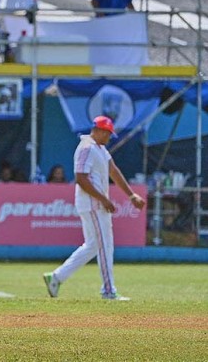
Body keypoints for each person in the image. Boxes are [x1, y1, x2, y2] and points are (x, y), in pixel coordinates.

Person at [43, 116, 145, 300]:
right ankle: (108, 290)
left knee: (93, 246)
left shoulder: (100, 149)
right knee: (105, 245)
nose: (109, 137)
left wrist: (131, 195)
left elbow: (114, 171)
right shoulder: (86, 147)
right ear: (98, 130)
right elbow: (80, 178)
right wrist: (104, 199)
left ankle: (56, 278)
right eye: (107, 133)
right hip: (93, 204)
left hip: (95, 203)